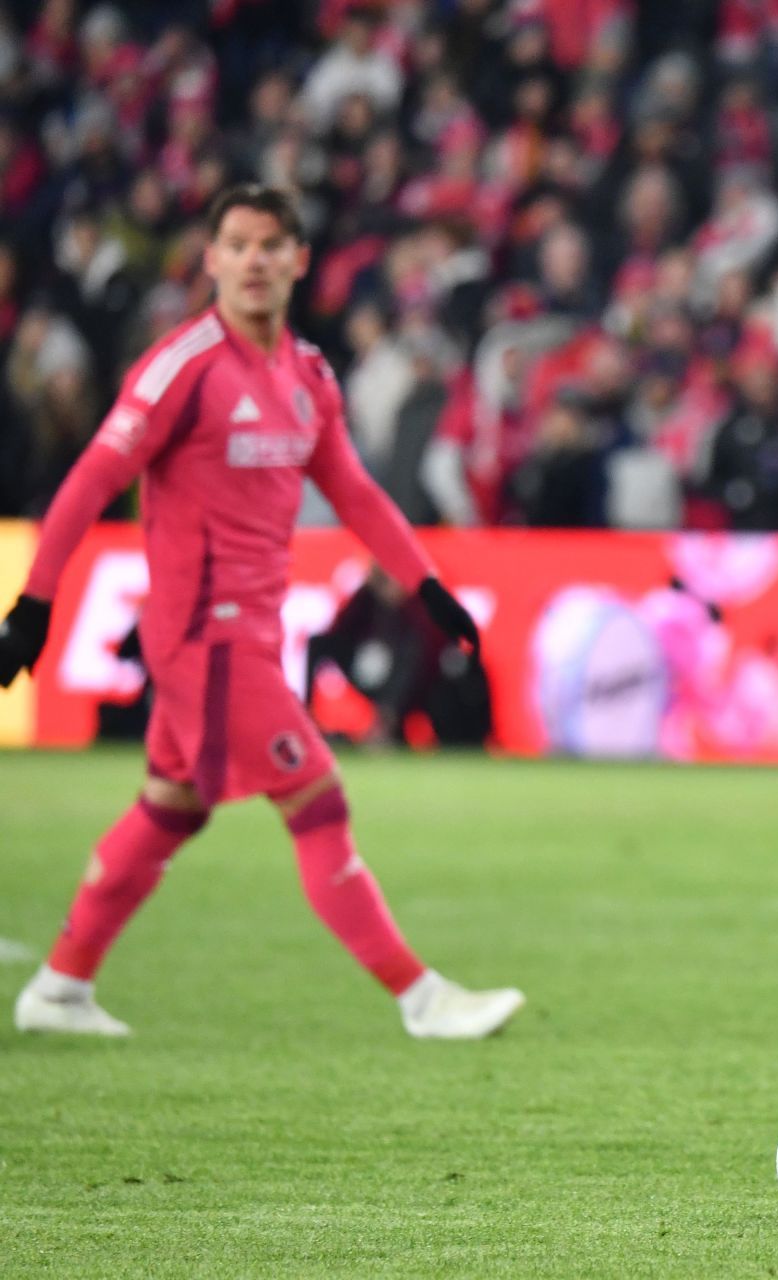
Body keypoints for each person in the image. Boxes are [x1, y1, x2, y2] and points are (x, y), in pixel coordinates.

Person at [0, 185, 523, 1041]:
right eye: (236, 245)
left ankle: (59, 988)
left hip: (252, 634)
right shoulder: (181, 368)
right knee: (317, 799)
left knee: (172, 807)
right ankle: (423, 999)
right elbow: (93, 478)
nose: (253, 261)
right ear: (209, 260)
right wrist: (33, 607)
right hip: (202, 638)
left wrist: (427, 586)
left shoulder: (306, 373)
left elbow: (352, 488)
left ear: (298, 260)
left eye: (271, 245)